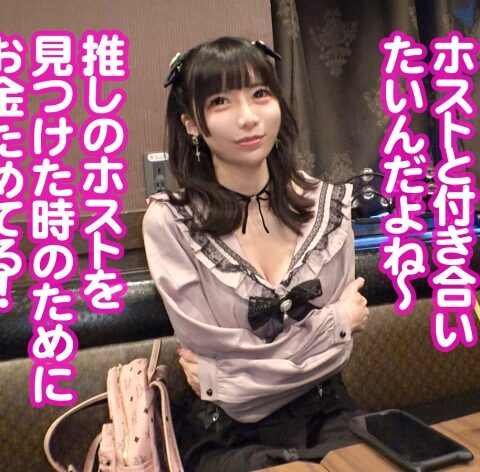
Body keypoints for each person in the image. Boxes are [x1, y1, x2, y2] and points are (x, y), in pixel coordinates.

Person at [143, 36, 369, 472]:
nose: (248, 117)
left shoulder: (327, 206)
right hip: (228, 434)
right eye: (221, 102)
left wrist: (226, 374)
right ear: (191, 124)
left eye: (260, 94)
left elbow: (337, 358)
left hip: (329, 414)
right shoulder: (171, 222)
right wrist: (336, 323)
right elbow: (223, 383)